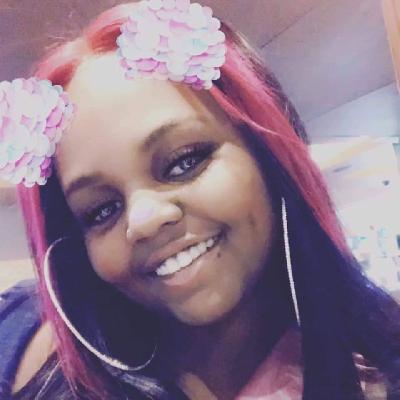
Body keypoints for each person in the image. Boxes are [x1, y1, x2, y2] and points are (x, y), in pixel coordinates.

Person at [0, 1, 399, 399]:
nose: (144, 220)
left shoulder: (382, 365)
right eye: (101, 210)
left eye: (183, 162)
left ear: (269, 154)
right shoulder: (18, 338)